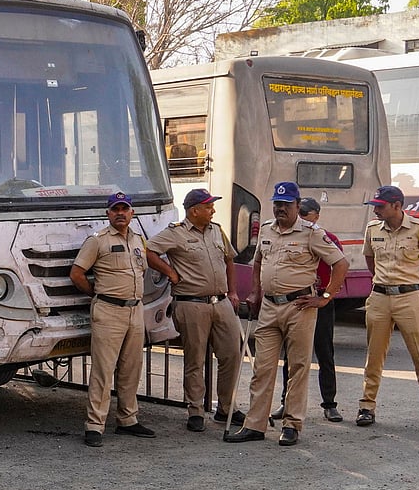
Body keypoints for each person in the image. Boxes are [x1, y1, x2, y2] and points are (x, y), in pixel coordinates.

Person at [225, 183, 348, 447]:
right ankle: (255, 425)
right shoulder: (267, 228)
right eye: (277, 203)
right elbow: (258, 261)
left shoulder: (311, 233)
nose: (280, 208)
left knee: (298, 367)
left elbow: (340, 263)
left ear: (297, 205)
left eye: (286, 204)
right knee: (262, 367)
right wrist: (256, 292)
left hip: (299, 306)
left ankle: (292, 424)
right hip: (269, 306)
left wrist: (325, 297)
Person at [146, 188, 244, 433]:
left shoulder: (217, 231)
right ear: (194, 211)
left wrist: (233, 291)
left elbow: (229, 260)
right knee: (195, 359)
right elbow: (147, 251)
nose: (213, 210)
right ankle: (196, 410)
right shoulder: (176, 233)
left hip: (221, 303)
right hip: (191, 304)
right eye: (208, 206)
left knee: (231, 354)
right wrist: (170, 272)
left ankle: (226, 407)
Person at [69, 191, 157, 447]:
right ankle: (94, 425)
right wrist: (95, 293)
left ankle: (127, 420)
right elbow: (77, 273)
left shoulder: (139, 240)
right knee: (103, 370)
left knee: (131, 368)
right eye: (115, 210)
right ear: (108, 214)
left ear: (132, 213)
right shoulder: (97, 241)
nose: (120, 213)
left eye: (125, 209)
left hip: (134, 310)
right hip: (108, 310)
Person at [356, 185, 419, 431]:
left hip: (410, 298)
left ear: (397, 205)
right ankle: (366, 406)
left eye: (380, 206)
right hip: (380, 297)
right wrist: (383, 282)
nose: (376, 211)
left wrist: (413, 286)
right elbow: (370, 259)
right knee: (374, 355)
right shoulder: (373, 229)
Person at [270, 197, 343, 422]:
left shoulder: (325, 237)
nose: (302, 218)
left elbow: (339, 266)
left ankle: (329, 404)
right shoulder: (288, 235)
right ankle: (286, 401)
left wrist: (326, 296)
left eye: (307, 214)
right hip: (298, 301)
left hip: (319, 300)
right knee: (291, 356)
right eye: (301, 213)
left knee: (324, 352)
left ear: (317, 216)